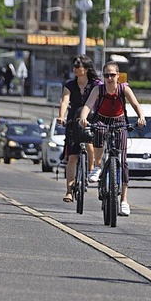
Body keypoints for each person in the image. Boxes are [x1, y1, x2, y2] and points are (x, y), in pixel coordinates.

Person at [79, 61, 146, 216]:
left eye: (112, 75)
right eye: (106, 75)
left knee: (122, 161)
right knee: (99, 132)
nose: (110, 78)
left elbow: (136, 104)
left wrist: (141, 117)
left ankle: (123, 200)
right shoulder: (99, 89)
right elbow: (88, 106)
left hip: (119, 121)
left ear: (118, 76)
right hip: (102, 119)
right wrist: (83, 118)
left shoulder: (124, 89)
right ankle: (97, 165)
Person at [56, 55, 102, 203]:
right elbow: (64, 101)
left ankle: (90, 172)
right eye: (74, 66)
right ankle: (69, 191)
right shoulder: (70, 85)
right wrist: (61, 116)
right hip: (74, 122)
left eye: (78, 66)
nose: (75, 69)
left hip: (91, 120)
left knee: (90, 144)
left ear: (86, 69)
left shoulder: (96, 84)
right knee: (72, 157)